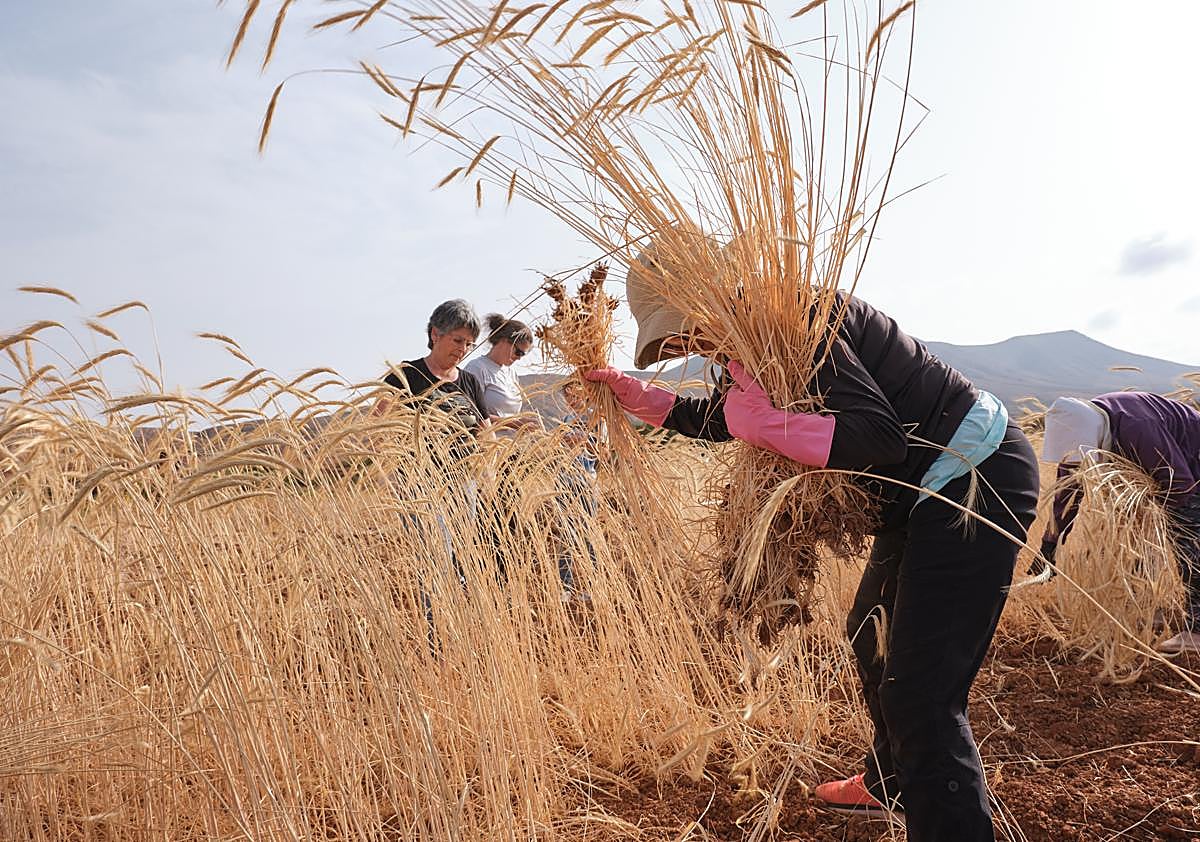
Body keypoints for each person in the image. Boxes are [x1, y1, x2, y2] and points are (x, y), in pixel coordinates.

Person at [584, 244, 1039, 842]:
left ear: (711, 294)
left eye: (688, 331)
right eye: (677, 343)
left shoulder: (802, 319)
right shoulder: (750, 350)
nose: (689, 348)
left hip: (973, 482)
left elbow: (878, 440)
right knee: (868, 632)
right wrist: (641, 397)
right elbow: (726, 418)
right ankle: (893, 782)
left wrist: (766, 426)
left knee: (922, 697)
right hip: (924, 498)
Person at [1037, 392, 1200, 655]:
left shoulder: (1136, 427)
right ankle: (1152, 607)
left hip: (1191, 467)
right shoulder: (1080, 430)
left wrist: (1145, 514)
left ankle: (1197, 630)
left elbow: (1180, 486)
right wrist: (1051, 543)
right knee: (1134, 540)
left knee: (1191, 543)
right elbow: (1068, 493)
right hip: (1175, 472)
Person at [462, 314, 539, 431]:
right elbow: (468, 413)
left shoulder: (511, 373)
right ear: (504, 341)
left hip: (510, 445)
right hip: (485, 443)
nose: (519, 358)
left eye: (523, 355)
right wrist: (514, 423)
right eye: (518, 352)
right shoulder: (477, 368)